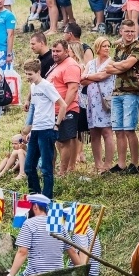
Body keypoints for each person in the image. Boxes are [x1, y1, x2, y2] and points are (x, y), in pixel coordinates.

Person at [0, 194, 83, 276]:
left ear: (35, 206)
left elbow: (22, 252)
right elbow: (72, 251)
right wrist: (83, 275)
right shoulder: (59, 225)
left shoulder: (29, 223)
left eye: (29, 207)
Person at [104, 20, 139, 174]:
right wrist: (121, 66)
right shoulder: (119, 47)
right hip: (117, 92)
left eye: (132, 31)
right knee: (118, 130)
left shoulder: (138, 46)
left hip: (132, 91)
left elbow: (127, 65)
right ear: (121, 31)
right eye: (127, 31)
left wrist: (120, 65)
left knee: (129, 129)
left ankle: (134, 164)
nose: (129, 34)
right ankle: (121, 164)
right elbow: (108, 68)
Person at [23, 59, 67, 199]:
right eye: (26, 74)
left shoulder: (47, 86)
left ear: (38, 72)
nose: (28, 77)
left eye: (30, 74)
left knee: (46, 168)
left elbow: (63, 105)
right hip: (36, 130)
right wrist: (31, 130)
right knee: (29, 166)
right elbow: (37, 110)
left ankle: (47, 198)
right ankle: (35, 195)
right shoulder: (33, 87)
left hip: (47, 130)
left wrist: (56, 125)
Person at [47, 39, 81, 176]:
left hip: (68, 109)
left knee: (64, 140)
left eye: (58, 51)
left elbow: (72, 89)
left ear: (67, 51)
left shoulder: (70, 65)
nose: (55, 53)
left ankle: (63, 172)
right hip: (52, 109)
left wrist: (64, 108)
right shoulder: (56, 65)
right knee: (57, 141)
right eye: (53, 51)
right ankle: (55, 170)